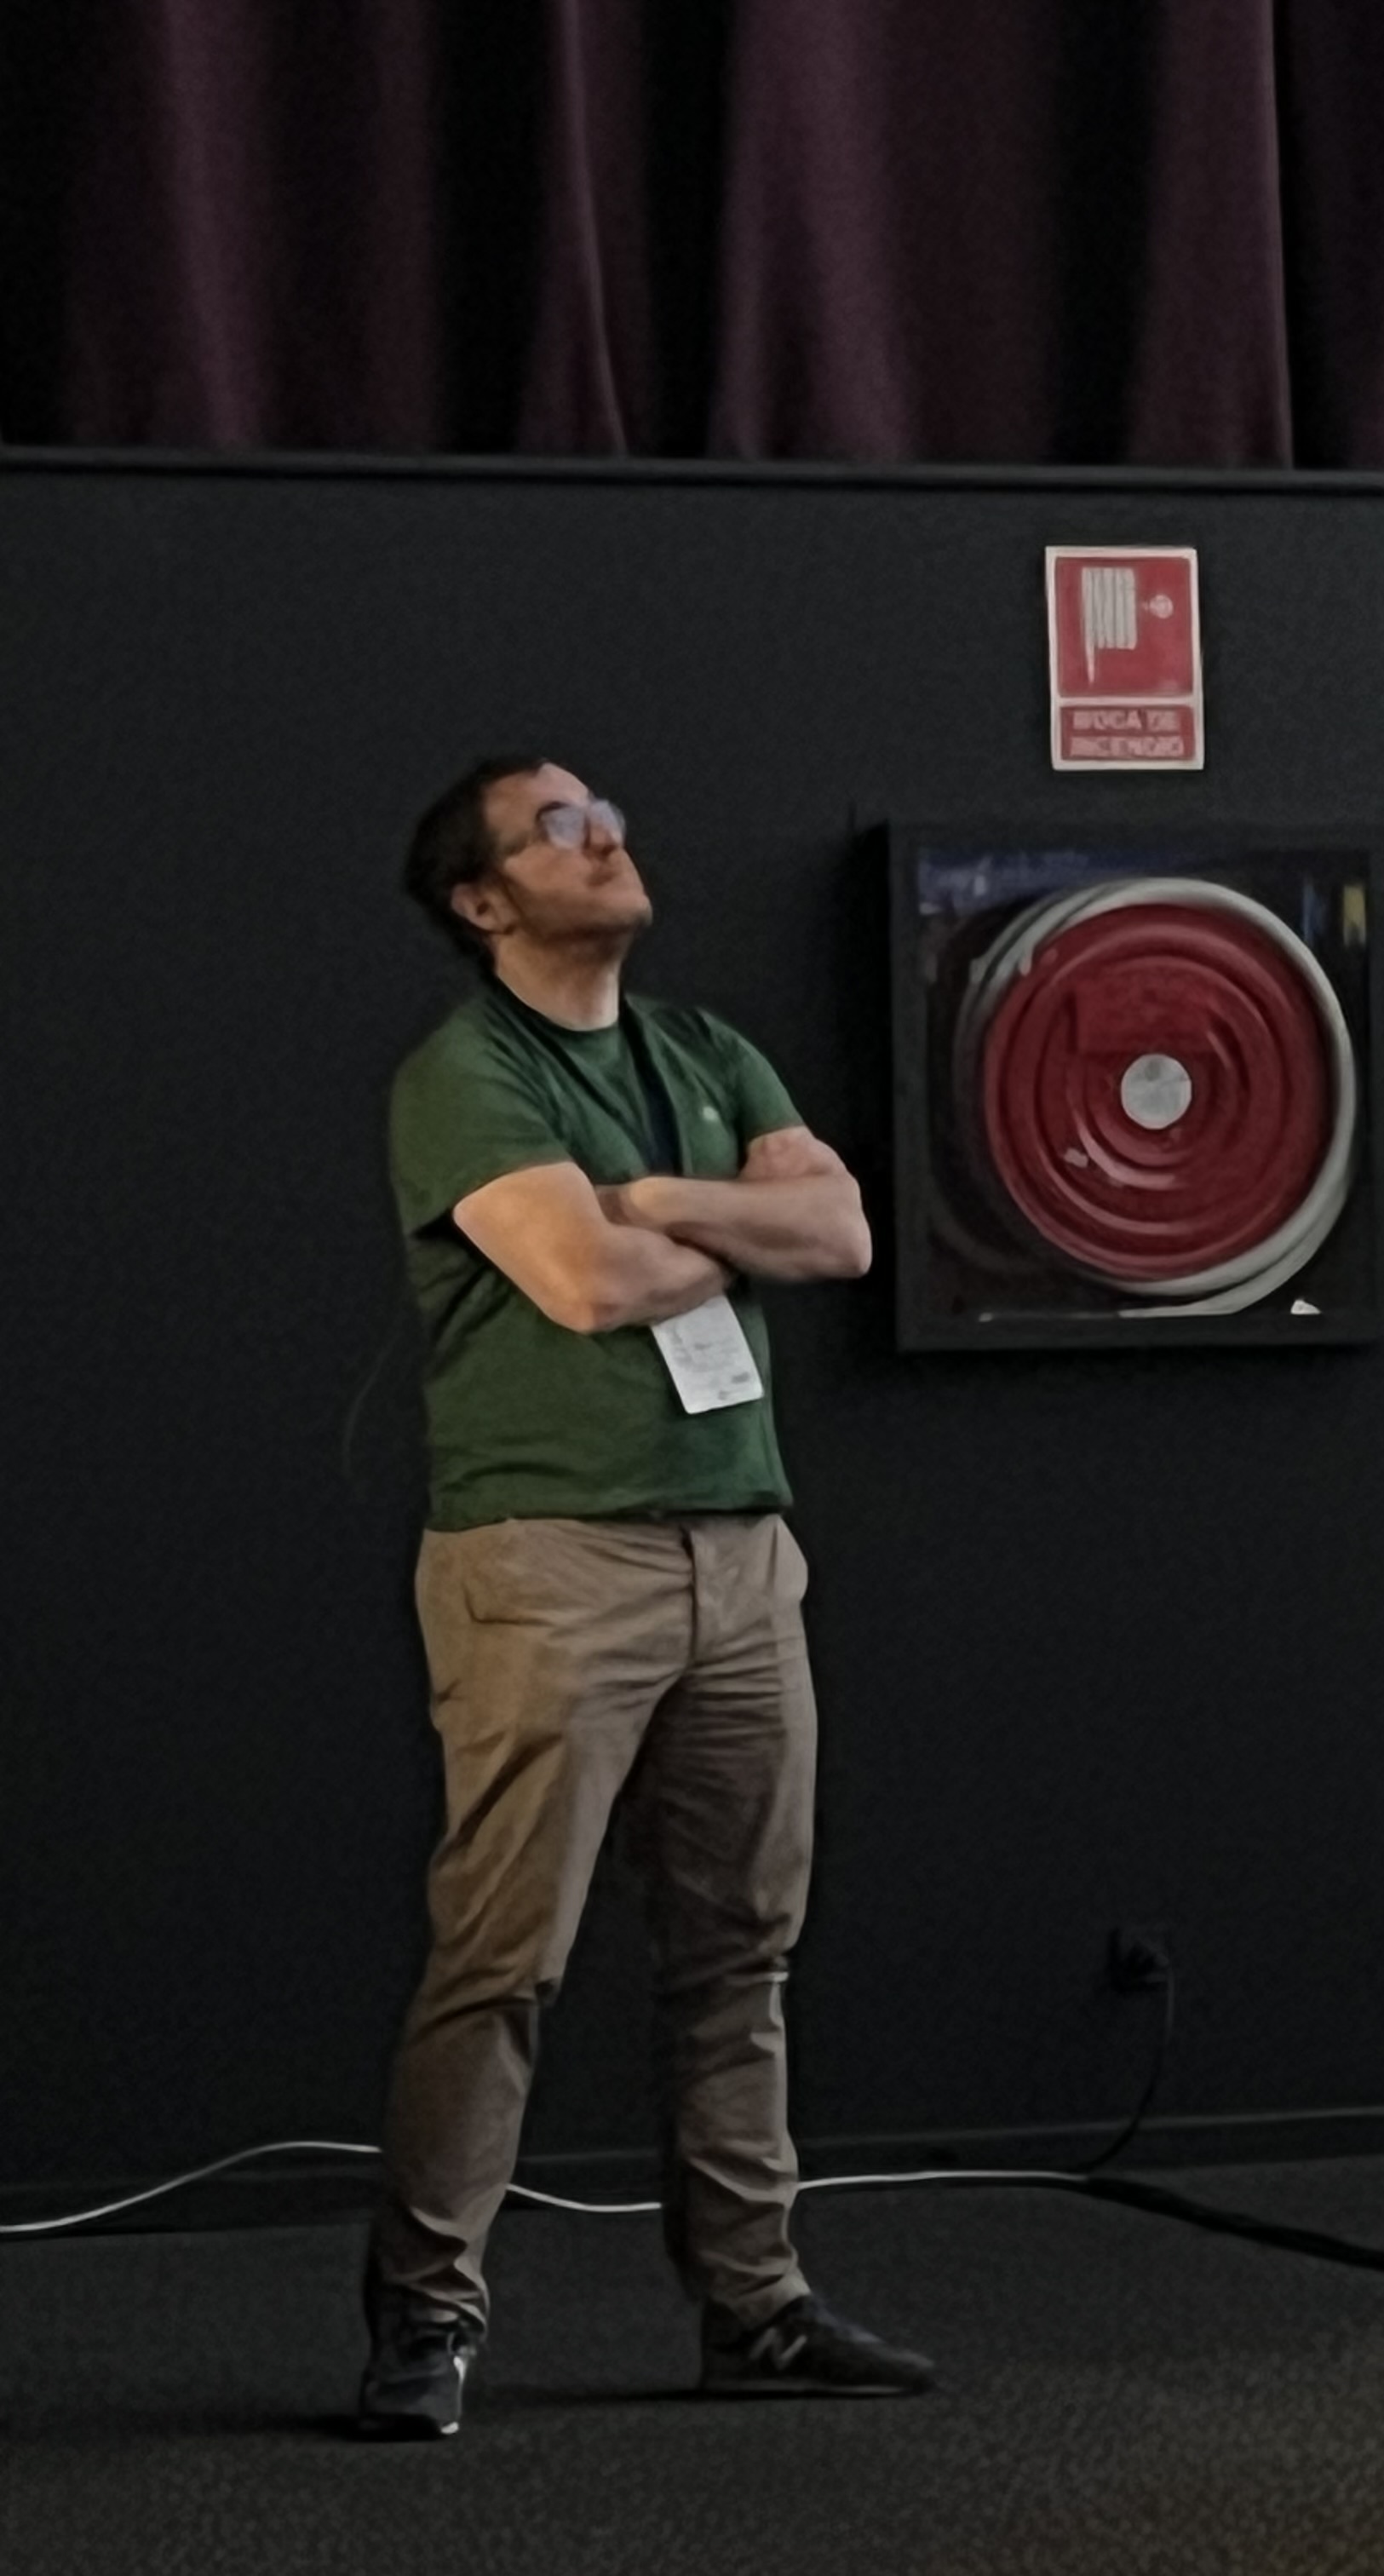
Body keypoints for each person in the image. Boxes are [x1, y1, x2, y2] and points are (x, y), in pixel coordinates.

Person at [359, 756, 932, 2437]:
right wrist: (736, 1226)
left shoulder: (706, 1052)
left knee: (743, 1953)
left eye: (601, 812)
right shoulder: (466, 1074)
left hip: (743, 1556)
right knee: (502, 1961)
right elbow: (586, 1281)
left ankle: (754, 2308)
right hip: (550, 1563)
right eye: (555, 827)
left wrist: (665, 1195)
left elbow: (846, 1237)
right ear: (482, 901)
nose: (602, 833)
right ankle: (425, 2314)